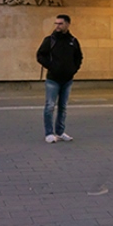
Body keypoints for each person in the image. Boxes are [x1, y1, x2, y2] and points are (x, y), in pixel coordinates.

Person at [36, 14, 82, 142]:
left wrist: (73, 70)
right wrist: (51, 66)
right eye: (56, 23)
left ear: (67, 24)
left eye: (60, 24)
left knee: (63, 107)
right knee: (50, 106)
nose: (57, 26)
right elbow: (40, 55)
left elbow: (78, 57)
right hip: (53, 79)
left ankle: (60, 132)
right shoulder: (50, 40)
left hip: (67, 80)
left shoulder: (73, 41)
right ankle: (49, 133)